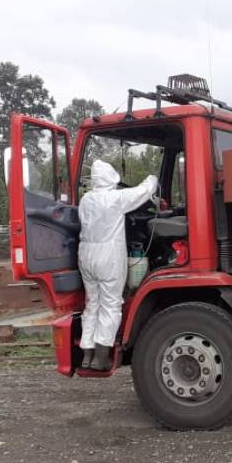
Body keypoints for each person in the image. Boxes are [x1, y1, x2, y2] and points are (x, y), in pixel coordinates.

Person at [78, 159, 158, 371]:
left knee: (92, 303)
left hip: (86, 255)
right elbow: (142, 192)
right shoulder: (115, 198)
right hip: (108, 257)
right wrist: (153, 179)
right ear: (111, 178)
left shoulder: (86, 199)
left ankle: (87, 353)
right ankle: (101, 357)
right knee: (111, 304)